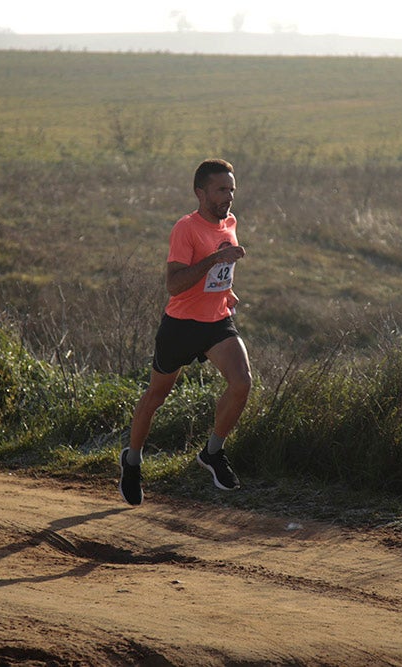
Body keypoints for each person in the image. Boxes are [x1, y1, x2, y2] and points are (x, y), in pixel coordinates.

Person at [119, 158, 252, 506]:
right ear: (200, 192)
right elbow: (174, 285)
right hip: (181, 326)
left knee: (242, 382)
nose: (228, 197)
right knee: (155, 397)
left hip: (216, 322)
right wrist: (213, 261)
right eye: (221, 190)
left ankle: (212, 452)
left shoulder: (231, 222)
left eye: (232, 190)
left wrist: (227, 291)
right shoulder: (186, 228)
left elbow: (217, 277)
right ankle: (132, 462)